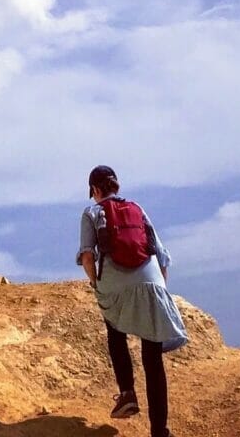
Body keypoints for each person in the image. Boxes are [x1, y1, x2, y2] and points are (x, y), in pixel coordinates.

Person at [77, 165, 187, 435]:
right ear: (117, 186)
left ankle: (127, 393)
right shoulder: (138, 208)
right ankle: (159, 431)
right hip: (152, 281)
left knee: (115, 331)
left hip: (115, 283)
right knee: (152, 358)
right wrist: (158, 289)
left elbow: (88, 256)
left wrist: (96, 284)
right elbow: (161, 255)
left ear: (96, 190)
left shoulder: (92, 212)